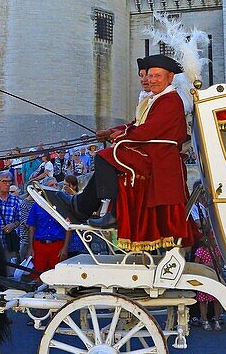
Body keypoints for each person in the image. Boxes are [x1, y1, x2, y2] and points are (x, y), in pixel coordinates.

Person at [44, 54, 191, 252]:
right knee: (107, 157)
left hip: (158, 157)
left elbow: (149, 130)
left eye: (157, 76)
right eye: (150, 76)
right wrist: (112, 132)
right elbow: (137, 124)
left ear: (170, 77)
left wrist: (121, 138)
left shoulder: (169, 100)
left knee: (106, 157)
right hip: (151, 151)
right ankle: (82, 205)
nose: (151, 80)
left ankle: (110, 213)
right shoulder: (158, 98)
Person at [0, 170, 24, 261]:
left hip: (8, 243)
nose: (7, 184)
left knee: (10, 272)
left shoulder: (15, 201)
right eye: (4, 181)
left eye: (9, 181)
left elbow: (19, 219)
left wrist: (13, 225)